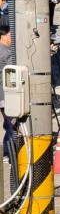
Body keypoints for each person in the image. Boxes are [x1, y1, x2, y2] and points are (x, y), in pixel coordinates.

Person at [0, 21, 13, 157]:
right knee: (12, 125)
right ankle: (8, 153)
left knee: (8, 123)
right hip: (5, 94)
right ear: (2, 36)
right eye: (10, 35)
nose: (12, 38)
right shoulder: (6, 54)